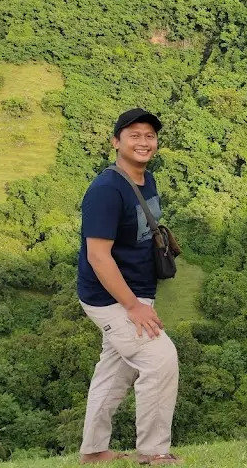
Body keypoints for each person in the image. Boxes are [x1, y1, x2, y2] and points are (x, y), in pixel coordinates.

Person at [76, 108, 181, 465]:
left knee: (115, 370)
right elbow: (98, 257)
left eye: (149, 135)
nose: (143, 142)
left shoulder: (145, 179)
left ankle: (94, 451)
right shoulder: (106, 190)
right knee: (160, 359)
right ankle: (154, 452)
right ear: (115, 142)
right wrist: (133, 307)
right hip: (111, 298)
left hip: (136, 293)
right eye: (133, 135)